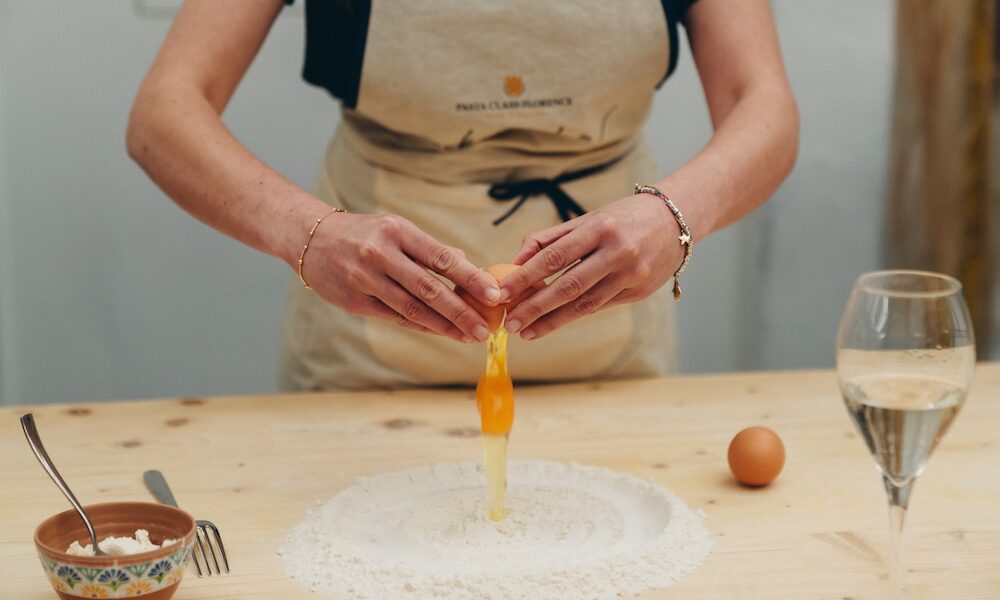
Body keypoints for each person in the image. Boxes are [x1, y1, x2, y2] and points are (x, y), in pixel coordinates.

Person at [127, 0, 798, 391]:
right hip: (368, 345)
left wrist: (672, 215)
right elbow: (164, 112)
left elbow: (760, 104)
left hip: (607, 339)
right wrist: (309, 232)